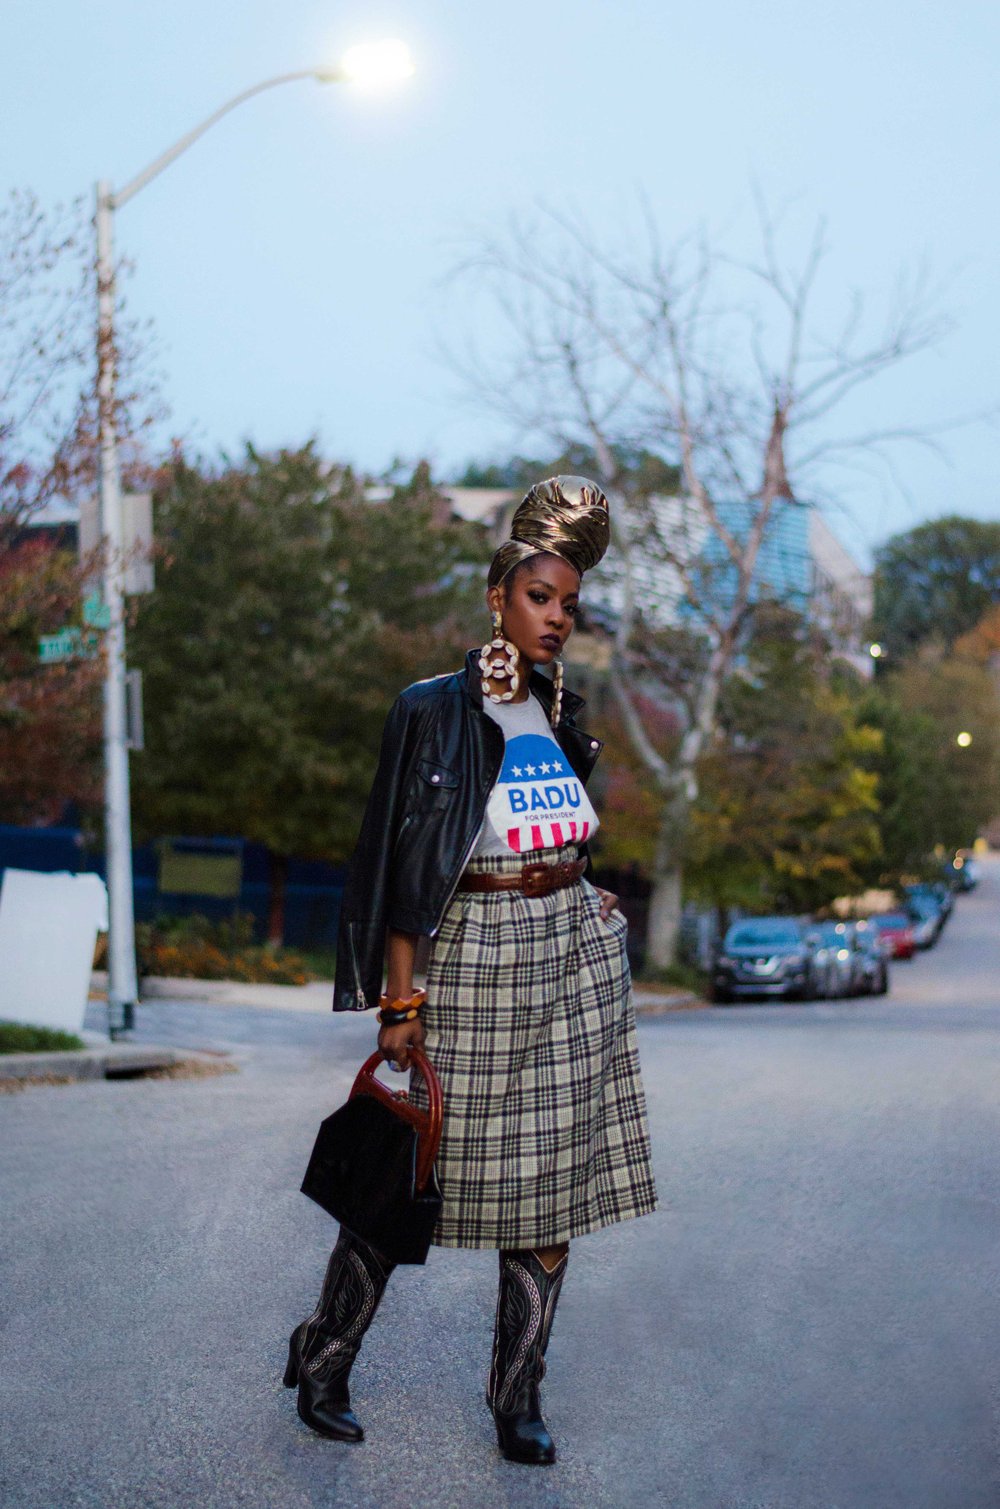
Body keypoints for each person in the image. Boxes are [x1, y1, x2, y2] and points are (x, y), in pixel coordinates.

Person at [284, 475, 659, 1465]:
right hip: (469, 961)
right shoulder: (431, 711)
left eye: (571, 604)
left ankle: (516, 1395)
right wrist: (396, 1001)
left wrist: (581, 885)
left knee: (549, 1198)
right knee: (407, 1168)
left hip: (568, 961)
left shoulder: (563, 715)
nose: (558, 618)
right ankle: (324, 1357)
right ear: (498, 597)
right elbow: (405, 860)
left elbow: (551, 827)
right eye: (541, 596)